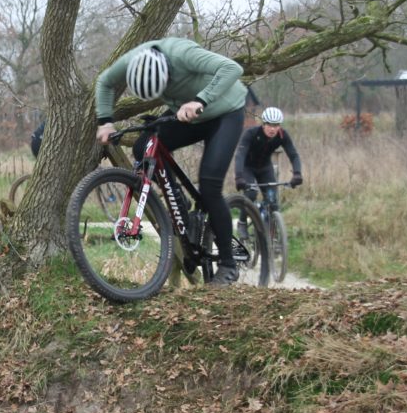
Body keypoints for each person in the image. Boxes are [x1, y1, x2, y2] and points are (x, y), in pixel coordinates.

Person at [95, 38, 249, 286]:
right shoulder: (132, 59)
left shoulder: (182, 54)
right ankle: (178, 199)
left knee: (210, 186)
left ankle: (228, 265)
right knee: (143, 148)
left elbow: (233, 68)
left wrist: (201, 99)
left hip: (225, 112)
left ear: (167, 72)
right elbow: (105, 81)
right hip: (186, 115)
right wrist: (105, 121)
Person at [232, 106, 303, 237]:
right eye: (269, 125)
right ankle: (242, 222)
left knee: (272, 201)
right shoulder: (251, 133)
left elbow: (293, 155)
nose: (272, 129)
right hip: (248, 168)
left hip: (265, 168)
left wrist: (297, 174)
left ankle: (269, 232)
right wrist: (239, 177)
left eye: (276, 125)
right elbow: (240, 155)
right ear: (263, 124)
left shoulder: (282, 135)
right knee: (251, 193)